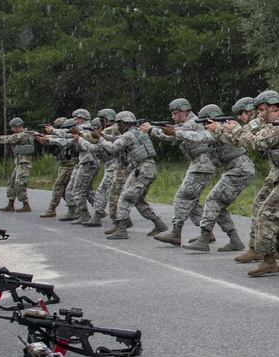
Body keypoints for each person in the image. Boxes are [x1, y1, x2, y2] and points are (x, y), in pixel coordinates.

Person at [210, 90, 279, 276]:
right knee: (259, 208)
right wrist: (220, 130)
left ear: (273, 107)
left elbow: (258, 143)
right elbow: (242, 138)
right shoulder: (268, 120)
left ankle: (269, 259)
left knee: (267, 214)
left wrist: (234, 130)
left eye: (262, 110)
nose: (260, 114)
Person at [181, 101, 255, 252]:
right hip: (237, 169)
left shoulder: (220, 130)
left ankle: (204, 238)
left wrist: (177, 132)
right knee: (218, 204)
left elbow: (200, 137)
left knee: (213, 199)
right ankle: (234, 240)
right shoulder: (221, 130)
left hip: (239, 170)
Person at [82, 110, 168, 240]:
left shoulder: (129, 134)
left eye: (119, 124)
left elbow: (112, 148)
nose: (117, 126)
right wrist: (103, 136)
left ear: (124, 123)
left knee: (125, 197)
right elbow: (118, 139)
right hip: (148, 168)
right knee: (138, 201)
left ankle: (122, 229)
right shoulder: (137, 132)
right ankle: (159, 224)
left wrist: (99, 138)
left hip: (142, 169)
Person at [144, 98, 215, 246]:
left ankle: (176, 233)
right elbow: (172, 134)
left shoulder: (193, 122)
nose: (173, 117)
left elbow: (174, 134)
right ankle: (206, 233)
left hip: (202, 164)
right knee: (192, 202)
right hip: (198, 163)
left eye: (176, 113)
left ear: (184, 111)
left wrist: (151, 129)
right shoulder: (187, 124)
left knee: (182, 197)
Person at [0, 116, 35, 213]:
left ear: (18, 126)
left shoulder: (22, 135)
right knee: (11, 184)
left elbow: (8, 139)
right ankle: (10, 204)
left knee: (20, 184)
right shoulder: (21, 135)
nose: (12, 129)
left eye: (13, 127)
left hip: (24, 163)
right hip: (19, 163)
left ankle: (25, 204)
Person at [82, 108, 119, 228]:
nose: (100, 122)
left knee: (103, 190)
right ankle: (122, 220)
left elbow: (93, 139)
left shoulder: (113, 128)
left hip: (115, 164)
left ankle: (98, 216)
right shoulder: (109, 129)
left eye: (102, 119)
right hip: (110, 164)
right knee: (116, 194)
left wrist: (79, 134)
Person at [39, 117, 77, 218]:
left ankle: (52, 209)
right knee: (64, 190)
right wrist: (41, 138)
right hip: (64, 164)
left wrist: (48, 138)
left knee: (59, 186)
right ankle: (76, 208)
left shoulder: (70, 137)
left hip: (69, 165)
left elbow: (60, 140)